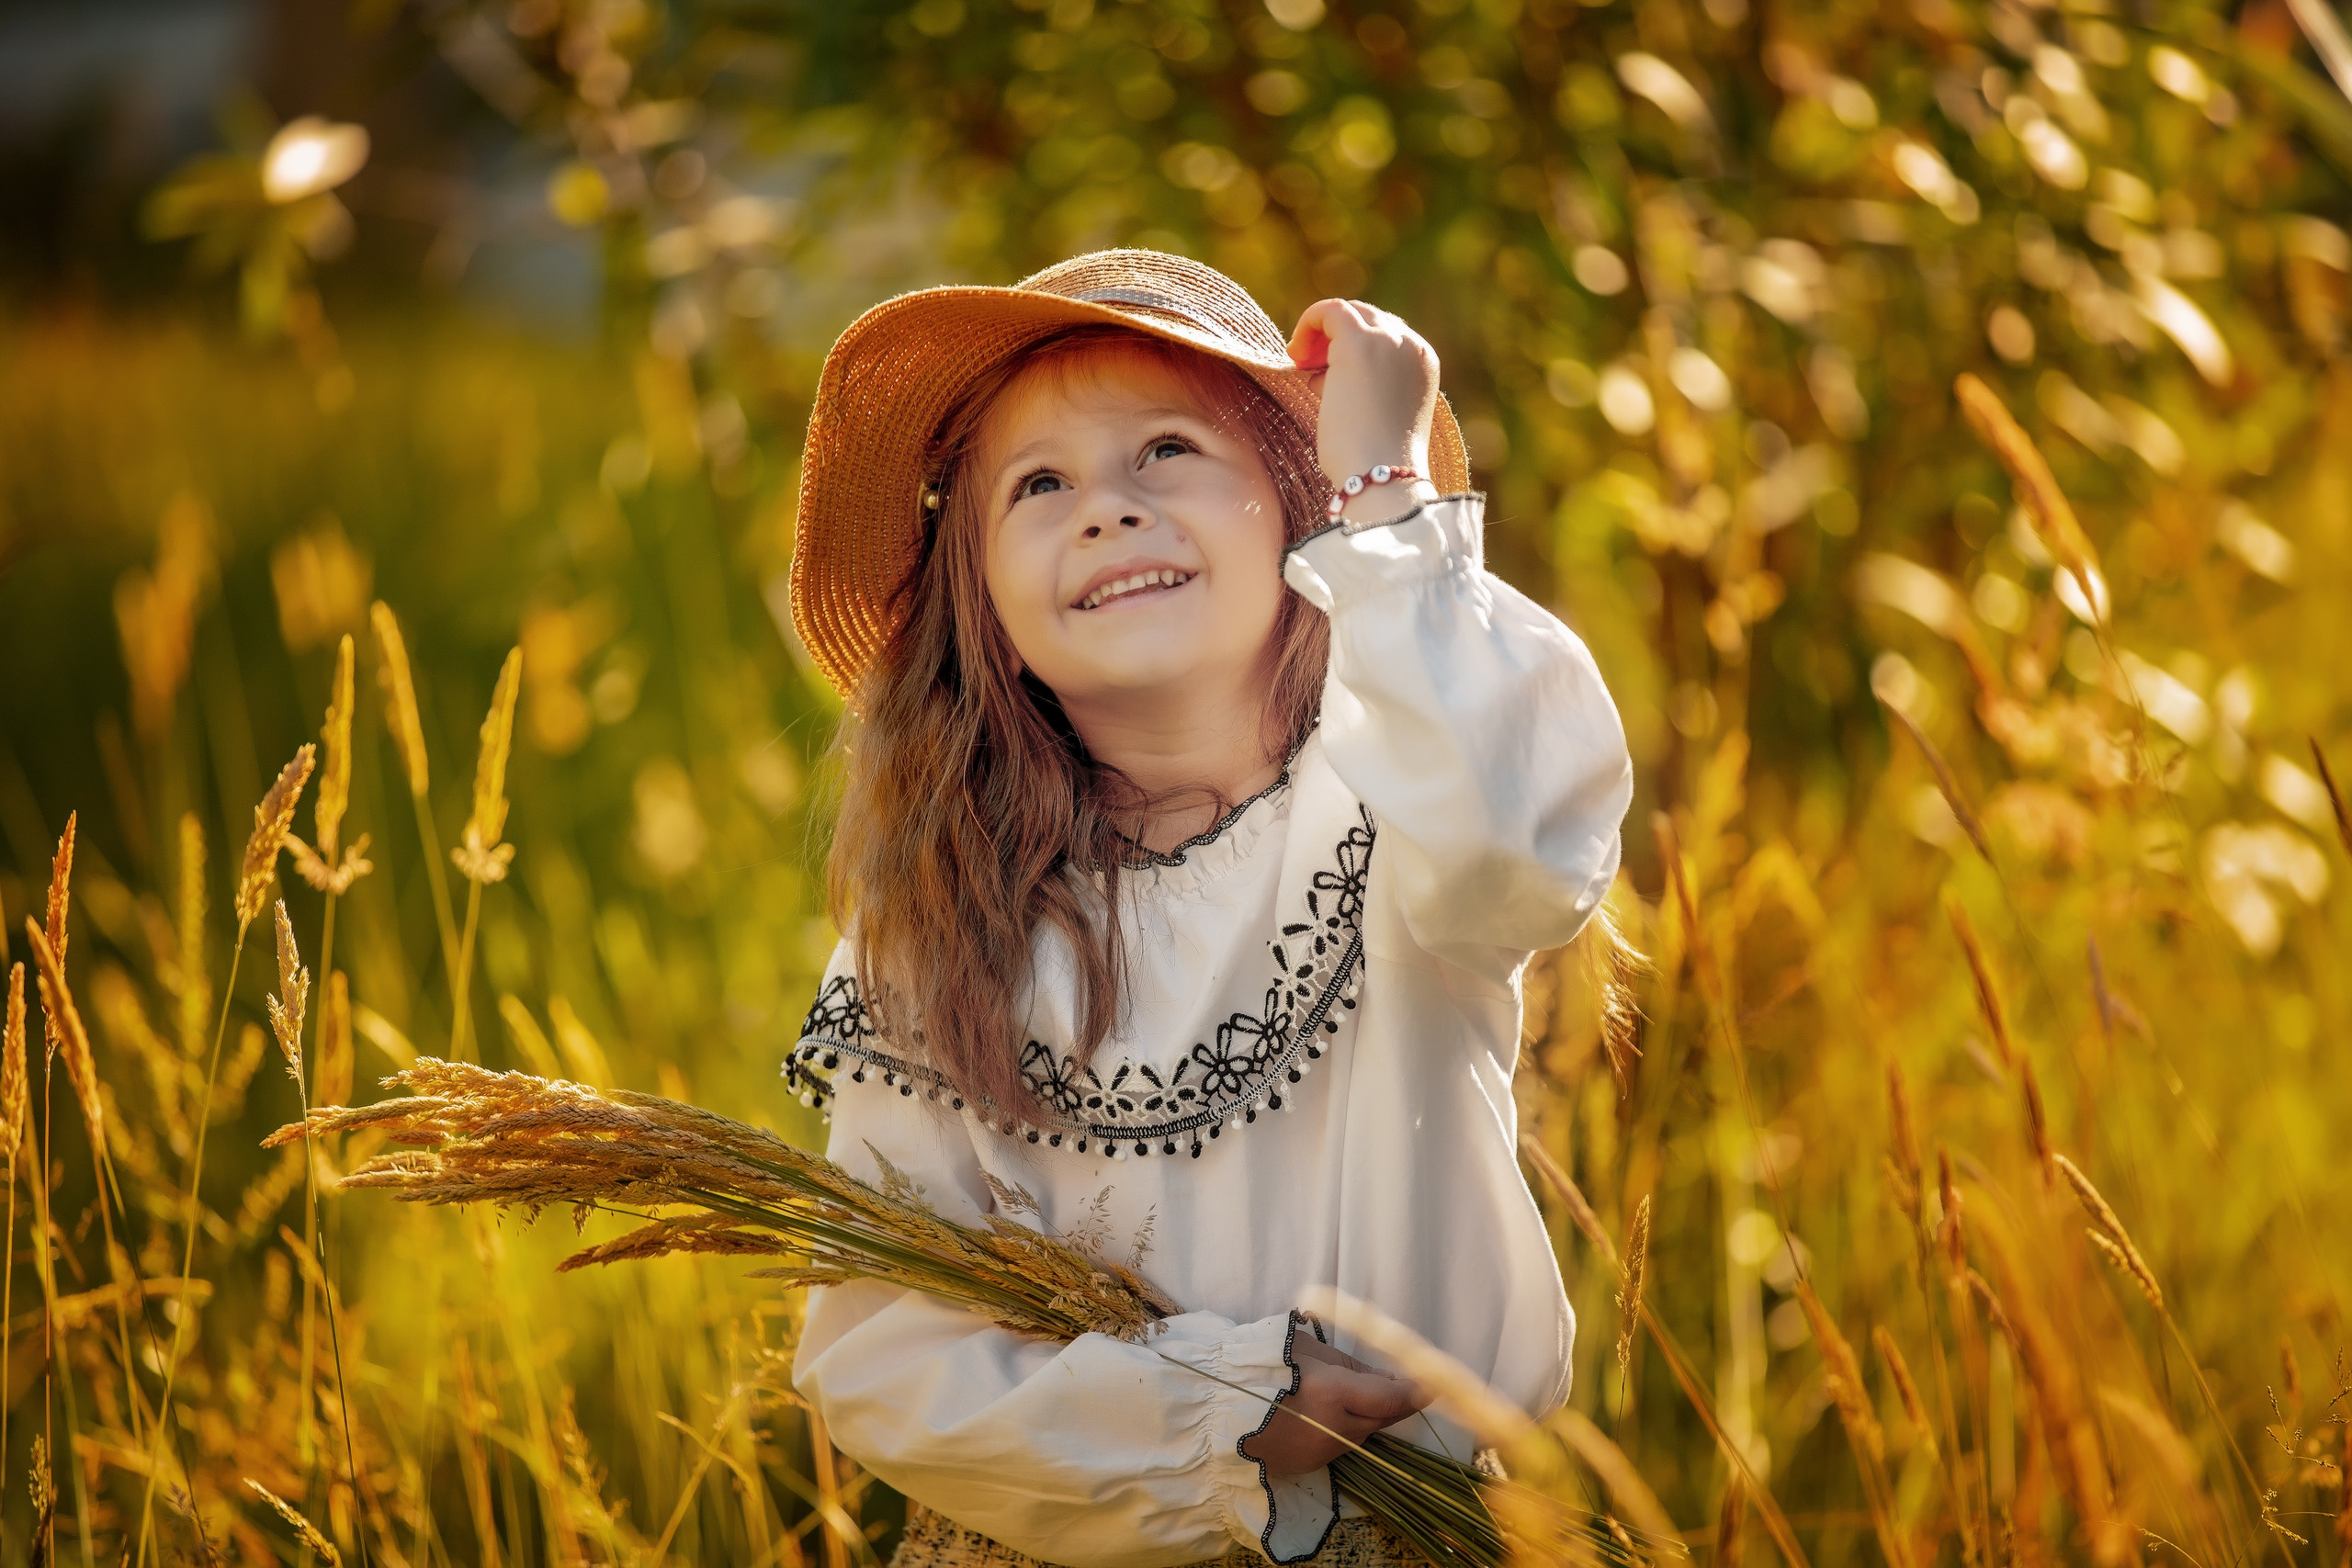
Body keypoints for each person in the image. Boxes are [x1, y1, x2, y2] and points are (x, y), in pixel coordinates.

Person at [783, 250, 1633, 1568]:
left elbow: (1522, 843)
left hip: (1424, 1539)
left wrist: (1387, 491)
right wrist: (1218, 1407)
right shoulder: (941, 929)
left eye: (1168, 451)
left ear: (1297, 520)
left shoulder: (1393, 812)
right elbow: (881, 1352)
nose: (1110, 511)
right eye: (1041, 485)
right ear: (991, 611)